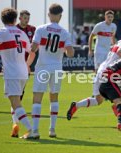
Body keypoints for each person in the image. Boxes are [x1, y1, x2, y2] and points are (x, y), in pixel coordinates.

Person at [67, 24, 121, 126]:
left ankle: (76, 105)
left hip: (103, 70)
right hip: (109, 74)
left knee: (98, 100)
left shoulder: (119, 42)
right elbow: (120, 52)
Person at [30, 3, 75, 139]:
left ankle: (36, 130)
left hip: (43, 67)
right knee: (54, 98)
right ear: (60, 16)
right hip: (56, 68)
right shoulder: (65, 32)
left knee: (37, 98)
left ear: (49, 14)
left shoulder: (41, 29)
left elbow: (33, 48)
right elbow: (71, 54)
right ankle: (52, 129)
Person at [0, 8, 34, 139]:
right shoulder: (22, 34)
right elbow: (32, 51)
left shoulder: (1, 33)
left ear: (2, 20)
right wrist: (27, 65)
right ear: (15, 19)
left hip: (12, 72)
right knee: (14, 101)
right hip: (23, 72)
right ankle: (15, 126)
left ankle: (30, 130)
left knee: (15, 102)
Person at [10, 10, 36, 137]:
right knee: (16, 97)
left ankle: (15, 123)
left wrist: (28, 64)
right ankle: (15, 124)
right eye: (24, 18)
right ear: (19, 18)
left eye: (28, 18)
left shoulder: (32, 29)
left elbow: (34, 49)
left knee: (17, 96)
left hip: (23, 67)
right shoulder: (15, 30)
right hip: (20, 66)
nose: (26, 20)